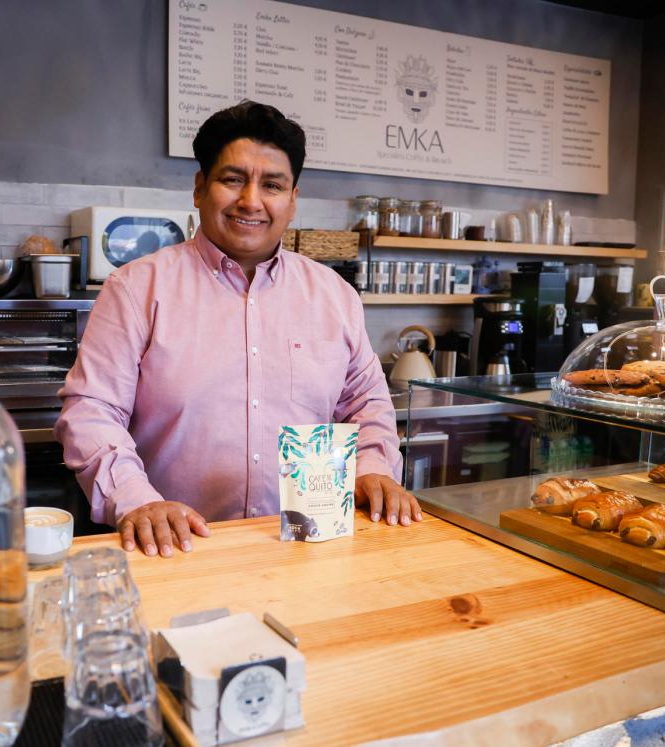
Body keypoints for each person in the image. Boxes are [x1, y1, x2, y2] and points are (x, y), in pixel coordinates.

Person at [56, 101, 420, 558]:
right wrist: (137, 500)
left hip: (308, 549)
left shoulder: (334, 295)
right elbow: (92, 410)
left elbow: (366, 404)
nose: (251, 200)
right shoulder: (135, 289)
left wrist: (373, 467)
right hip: (175, 549)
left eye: (272, 185)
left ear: (292, 199)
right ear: (199, 188)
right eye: (233, 179)